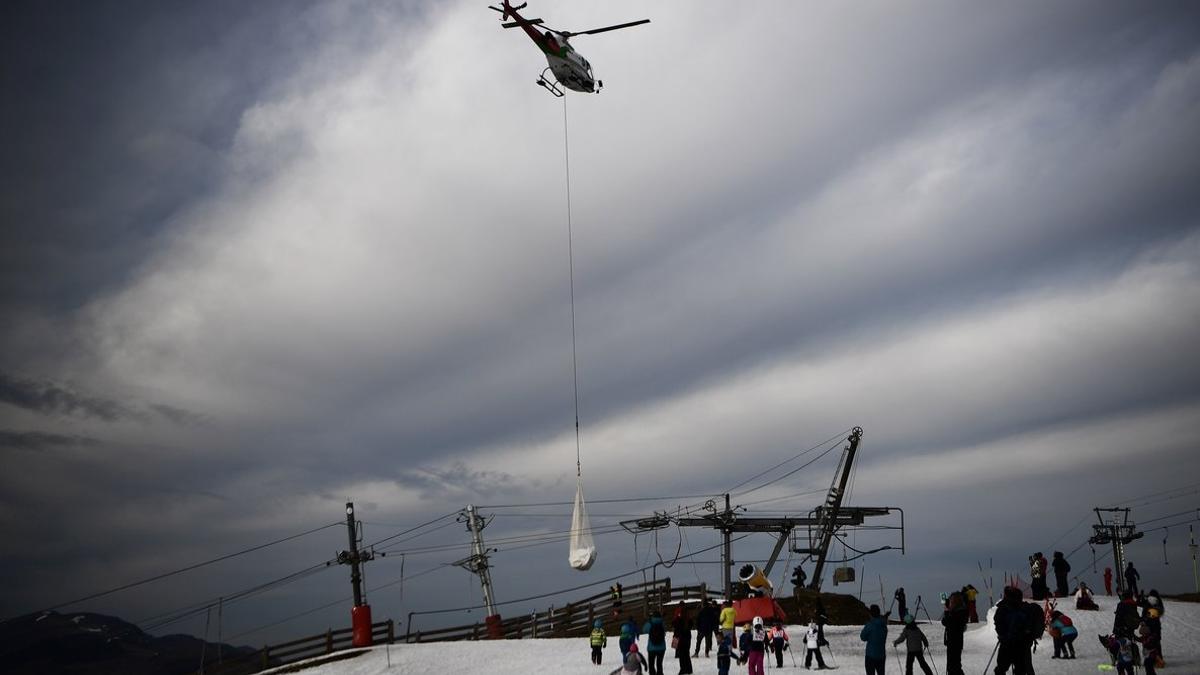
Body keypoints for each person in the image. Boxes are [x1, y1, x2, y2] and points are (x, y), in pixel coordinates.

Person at [992, 586, 1035, 675]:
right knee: (1020, 669)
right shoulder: (1025, 608)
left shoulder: (1003, 608)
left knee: (1001, 668)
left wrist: (1002, 635)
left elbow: (998, 624)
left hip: (1007, 644)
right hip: (1022, 644)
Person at [942, 590, 968, 675]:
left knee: (953, 667)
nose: (949, 603)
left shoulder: (958, 613)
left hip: (954, 642)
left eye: (951, 601)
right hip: (955, 642)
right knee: (954, 666)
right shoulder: (960, 611)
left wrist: (947, 612)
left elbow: (946, 622)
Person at [861, 604, 889, 675]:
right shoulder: (884, 626)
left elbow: (863, 637)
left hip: (870, 655)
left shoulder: (870, 625)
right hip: (881, 654)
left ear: (871, 614)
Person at [643, 611, 667, 675]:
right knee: (659, 664)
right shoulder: (662, 622)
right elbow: (665, 629)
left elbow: (644, 630)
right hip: (661, 647)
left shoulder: (650, 623)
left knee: (651, 665)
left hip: (651, 648)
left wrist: (648, 621)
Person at [671, 606, 693, 675]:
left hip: (680, 639)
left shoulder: (679, 619)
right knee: (686, 654)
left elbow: (674, 625)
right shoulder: (689, 619)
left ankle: (683, 669)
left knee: (682, 655)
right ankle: (689, 669)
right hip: (687, 638)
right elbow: (691, 625)